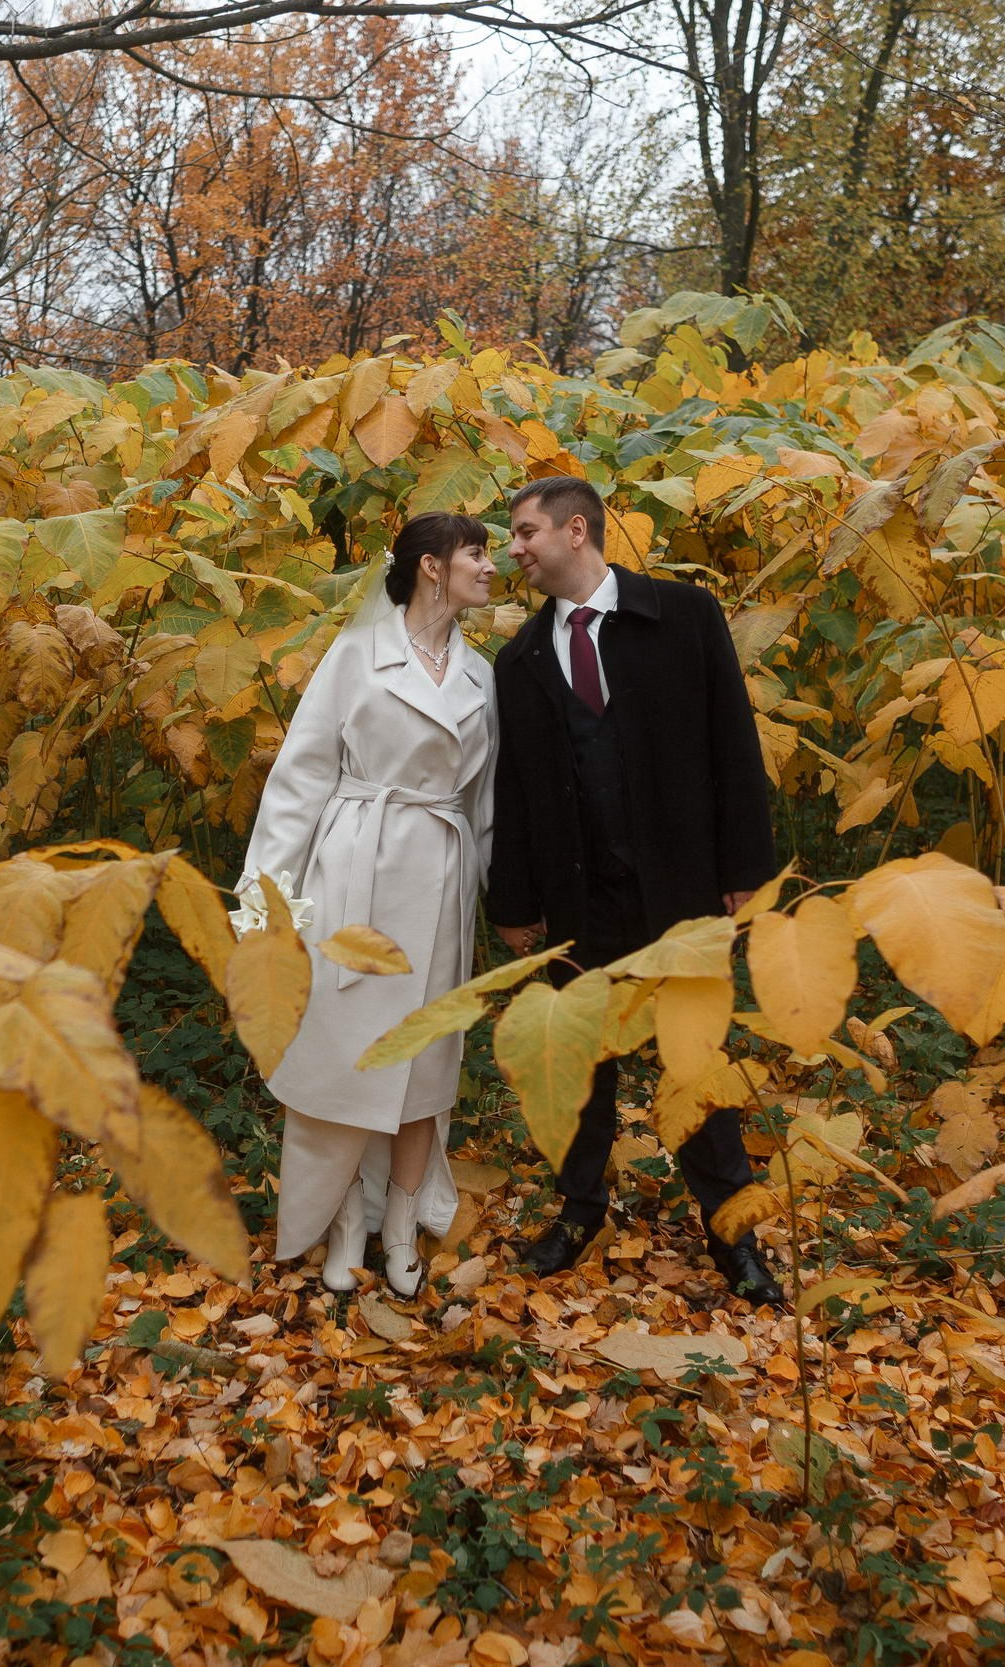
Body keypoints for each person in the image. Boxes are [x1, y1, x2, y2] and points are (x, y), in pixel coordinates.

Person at [485, 476, 789, 1310]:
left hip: (681, 891)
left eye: (523, 532)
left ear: (575, 530)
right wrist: (514, 901)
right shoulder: (520, 659)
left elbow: (733, 742)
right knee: (580, 1071)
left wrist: (743, 872)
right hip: (580, 901)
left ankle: (734, 1235)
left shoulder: (684, 616)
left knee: (698, 1065)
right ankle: (580, 1211)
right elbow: (515, 789)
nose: (515, 549)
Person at [238, 512, 499, 1297]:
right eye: (476, 554)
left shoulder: (483, 675)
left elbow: (484, 802)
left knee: (426, 1058)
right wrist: (265, 906)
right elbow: (298, 782)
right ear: (430, 566)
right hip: (355, 869)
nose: (491, 567)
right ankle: (344, 1220)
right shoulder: (356, 655)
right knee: (344, 1051)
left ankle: (400, 1223)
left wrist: (495, 896)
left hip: (443, 878)